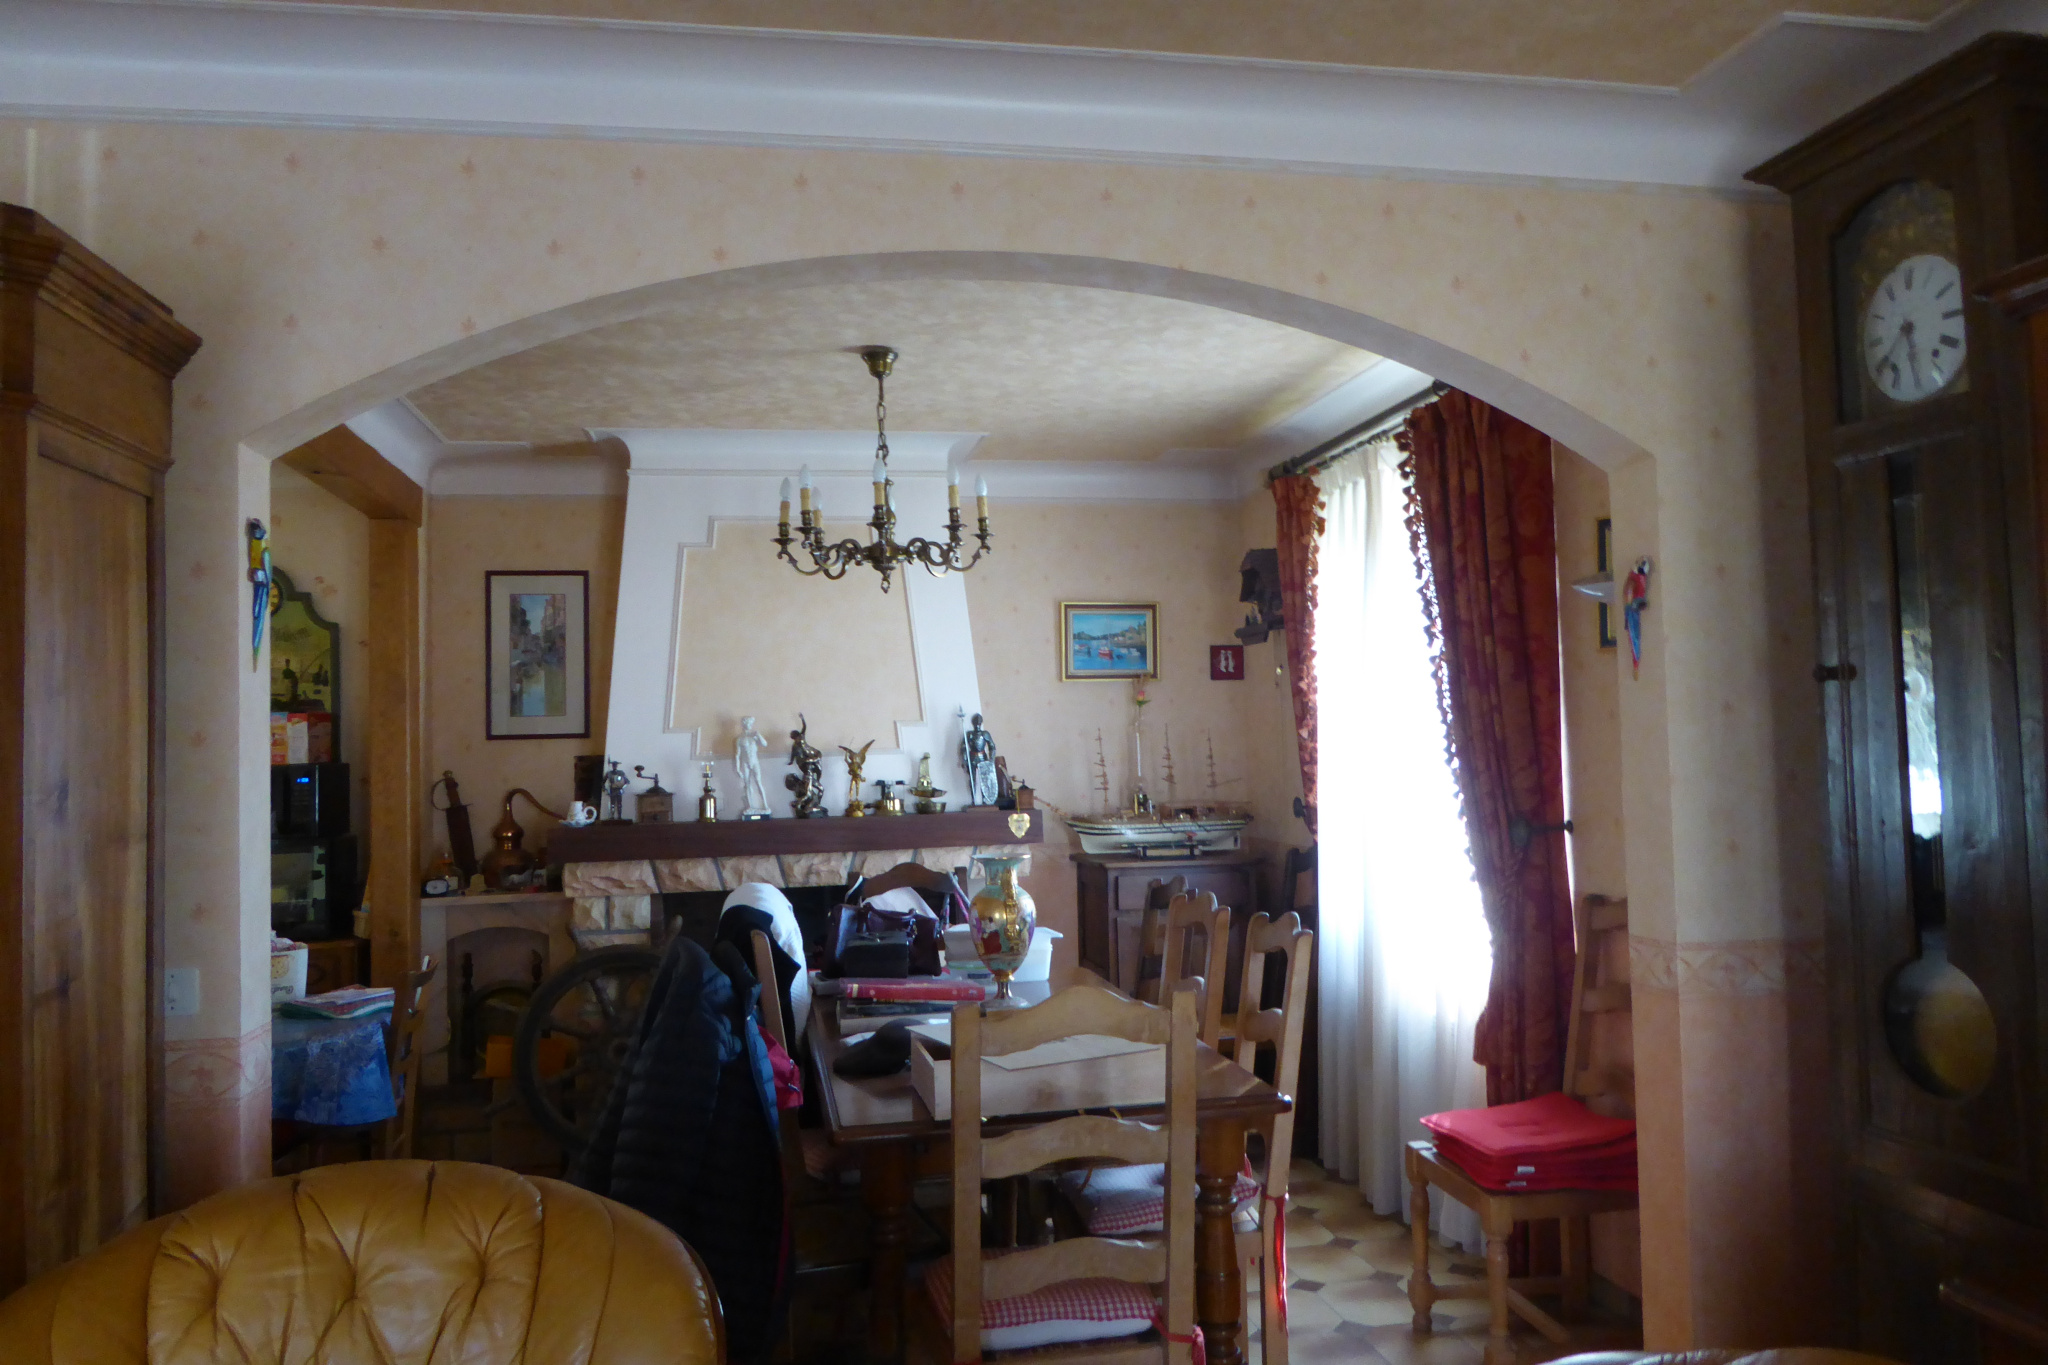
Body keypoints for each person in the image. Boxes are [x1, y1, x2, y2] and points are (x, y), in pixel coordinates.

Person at [735, 715, 770, 817]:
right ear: (744, 724)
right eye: (748, 723)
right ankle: (750, 806)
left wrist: (759, 735)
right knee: (747, 784)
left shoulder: (754, 736)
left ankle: (765, 806)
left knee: (758, 782)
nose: (749, 725)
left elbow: (764, 744)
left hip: (754, 762)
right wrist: (738, 769)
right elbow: (737, 755)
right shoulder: (740, 739)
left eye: (751, 723)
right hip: (745, 763)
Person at [962, 712, 999, 807]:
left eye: (978, 722)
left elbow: (992, 746)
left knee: (985, 780)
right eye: (976, 722)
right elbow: (964, 747)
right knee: (972, 780)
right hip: (972, 758)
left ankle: (984, 799)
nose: (977, 724)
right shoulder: (969, 734)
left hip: (983, 758)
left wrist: (991, 759)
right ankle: (973, 799)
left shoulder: (985, 734)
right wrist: (964, 760)